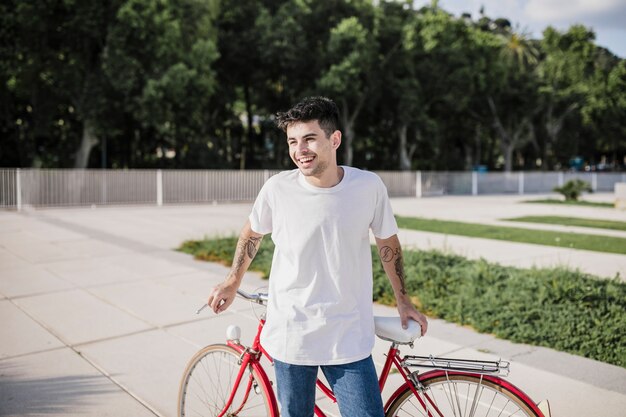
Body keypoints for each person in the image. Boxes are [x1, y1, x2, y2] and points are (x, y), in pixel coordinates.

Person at [207, 96, 428, 417]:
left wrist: (403, 299)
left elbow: (387, 244)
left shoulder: (367, 186)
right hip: (291, 335)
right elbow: (251, 234)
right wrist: (231, 281)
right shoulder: (277, 189)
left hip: (348, 335)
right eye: (293, 142)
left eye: (309, 139)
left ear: (334, 139)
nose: (300, 150)